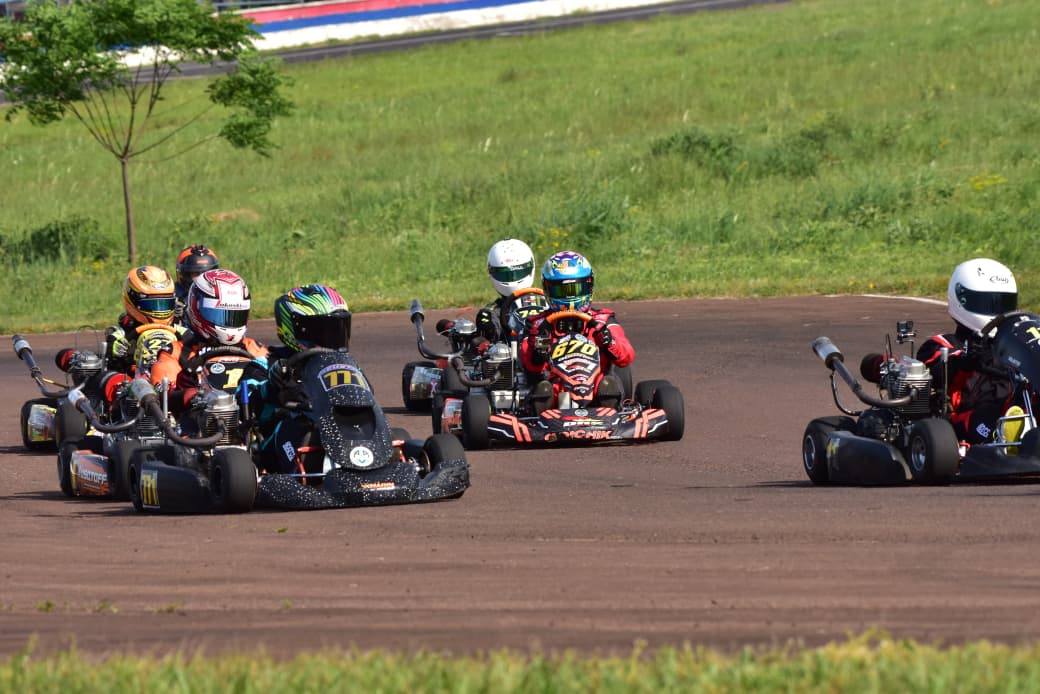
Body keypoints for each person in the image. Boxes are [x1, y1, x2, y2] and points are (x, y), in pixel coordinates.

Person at [862, 258, 1017, 445]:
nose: (997, 312)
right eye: (988, 304)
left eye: (1004, 304)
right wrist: (966, 359)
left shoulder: (1015, 347)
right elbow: (938, 366)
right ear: (962, 298)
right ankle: (1008, 435)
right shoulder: (944, 344)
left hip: (1016, 406)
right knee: (986, 420)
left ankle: (1021, 429)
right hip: (964, 419)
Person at [255, 284, 357, 474]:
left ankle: (378, 456)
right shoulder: (268, 362)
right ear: (294, 329)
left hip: (339, 427)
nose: (331, 338)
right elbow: (247, 402)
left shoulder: (342, 365)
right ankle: (303, 469)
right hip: (279, 442)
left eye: (337, 330)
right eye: (323, 331)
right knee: (296, 427)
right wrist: (271, 387)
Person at [520, 250, 635, 411]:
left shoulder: (603, 320)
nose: (570, 297)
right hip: (556, 390)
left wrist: (609, 342)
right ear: (548, 290)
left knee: (607, 384)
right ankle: (542, 413)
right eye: (562, 291)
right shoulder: (538, 324)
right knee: (543, 389)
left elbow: (626, 357)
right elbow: (530, 366)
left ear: (588, 285)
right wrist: (539, 349)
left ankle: (608, 408)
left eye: (576, 289)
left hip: (595, 387)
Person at [148, 269, 269, 411]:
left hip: (250, 421)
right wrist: (188, 394)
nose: (229, 323)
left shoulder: (254, 349)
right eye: (220, 316)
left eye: (235, 316)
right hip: (199, 426)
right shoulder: (177, 353)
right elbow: (163, 395)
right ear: (196, 308)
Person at [104, 265, 178, 375]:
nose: (159, 311)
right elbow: (109, 360)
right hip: (133, 382)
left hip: (173, 379)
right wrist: (114, 349)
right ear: (132, 300)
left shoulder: (179, 329)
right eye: (152, 304)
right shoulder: (122, 333)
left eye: (165, 304)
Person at [174, 244, 219, 323]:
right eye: (196, 274)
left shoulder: (218, 294)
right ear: (185, 275)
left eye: (206, 273)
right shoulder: (174, 295)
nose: (202, 278)